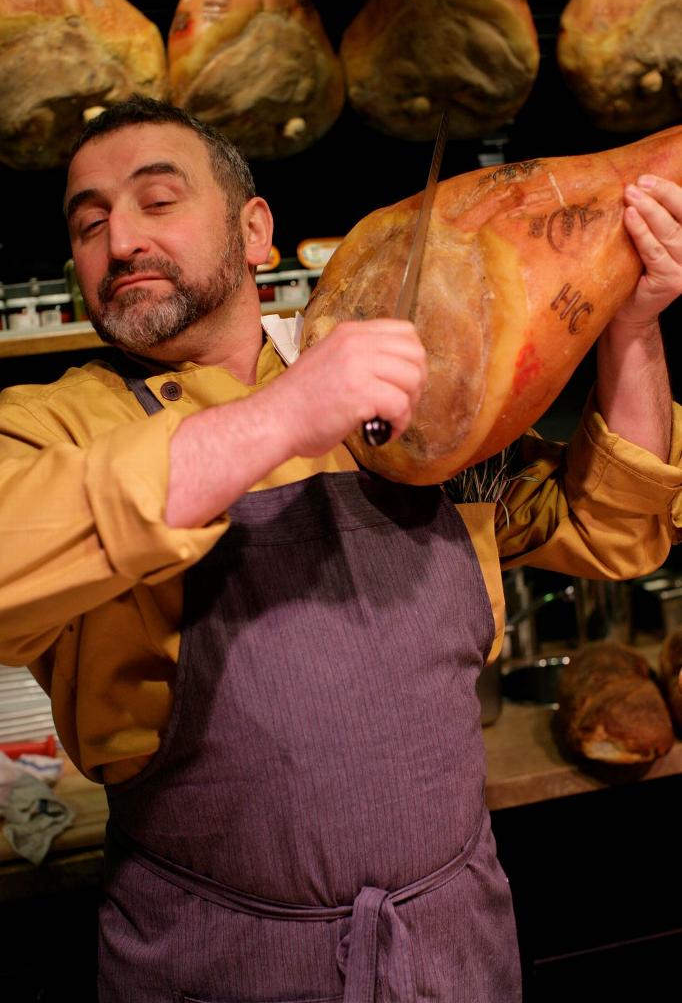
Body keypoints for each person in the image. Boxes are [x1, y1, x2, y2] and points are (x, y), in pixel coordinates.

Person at [1, 94, 681, 1003]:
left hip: (452, 948)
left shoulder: (409, 388)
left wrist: (633, 332)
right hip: (217, 963)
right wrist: (285, 415)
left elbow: (611, 527)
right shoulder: (53, 426)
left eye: (157, 202)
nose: (120, 241)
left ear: (255, 231)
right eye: (89, 225)